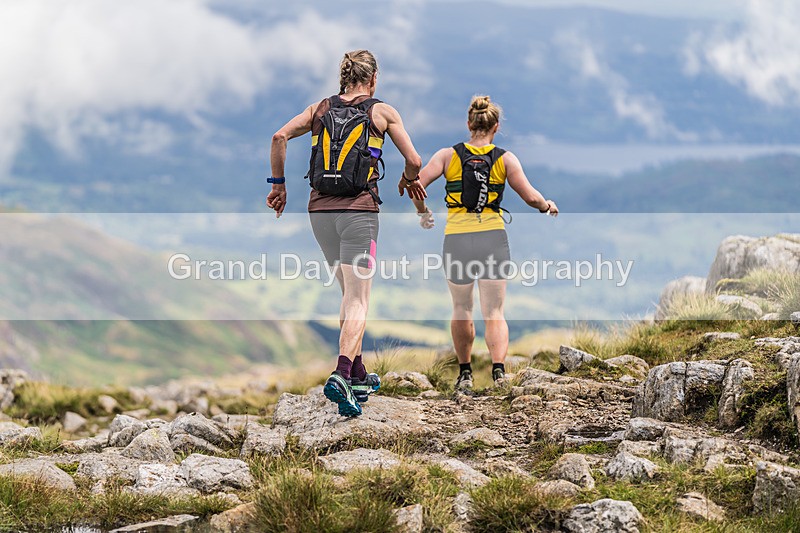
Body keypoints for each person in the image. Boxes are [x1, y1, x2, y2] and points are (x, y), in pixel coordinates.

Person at [268, 50, 425, 416]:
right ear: (372, 80)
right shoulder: (382, 111)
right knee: (358, 300)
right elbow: (415, 160)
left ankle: (357, 372)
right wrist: (407, 179)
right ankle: (341, 374)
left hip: (320, 212)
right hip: (359, 213)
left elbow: (279, 137)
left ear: (344, 79)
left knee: (347, 294)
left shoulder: (318, 109)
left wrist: (279, 187)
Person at [409, 95, 558, 390]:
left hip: (457, 238)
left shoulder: (447, 156)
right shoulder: (505, 158)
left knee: (461, 307)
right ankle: (499, 372)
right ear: (496, 127)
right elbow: (529, 196)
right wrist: (546, 205)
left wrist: (423, 214)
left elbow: (417, 186)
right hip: (492, 237)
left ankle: (464, 373)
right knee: (495, 311)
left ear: (469, 124)